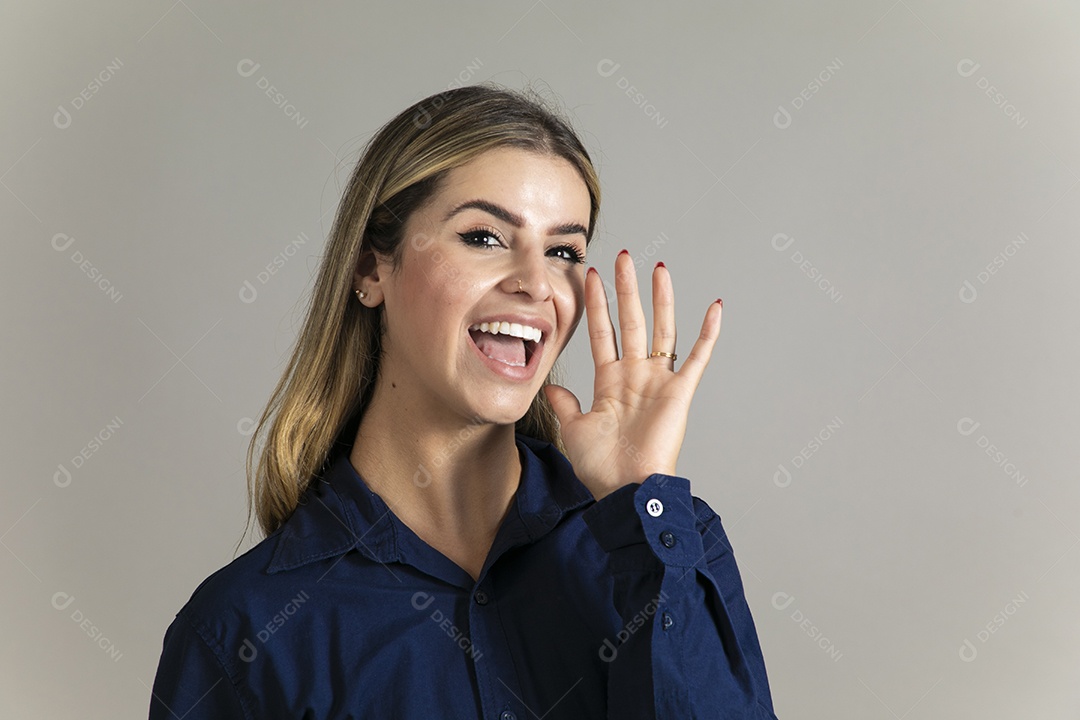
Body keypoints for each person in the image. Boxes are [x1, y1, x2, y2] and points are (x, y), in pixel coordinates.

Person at [148, 82, 778, 719]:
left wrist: (640, 504)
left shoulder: (666, 547)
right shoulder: (239, 633)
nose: (536, 283)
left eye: (563, 251)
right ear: (371, 269)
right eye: (484, 237)